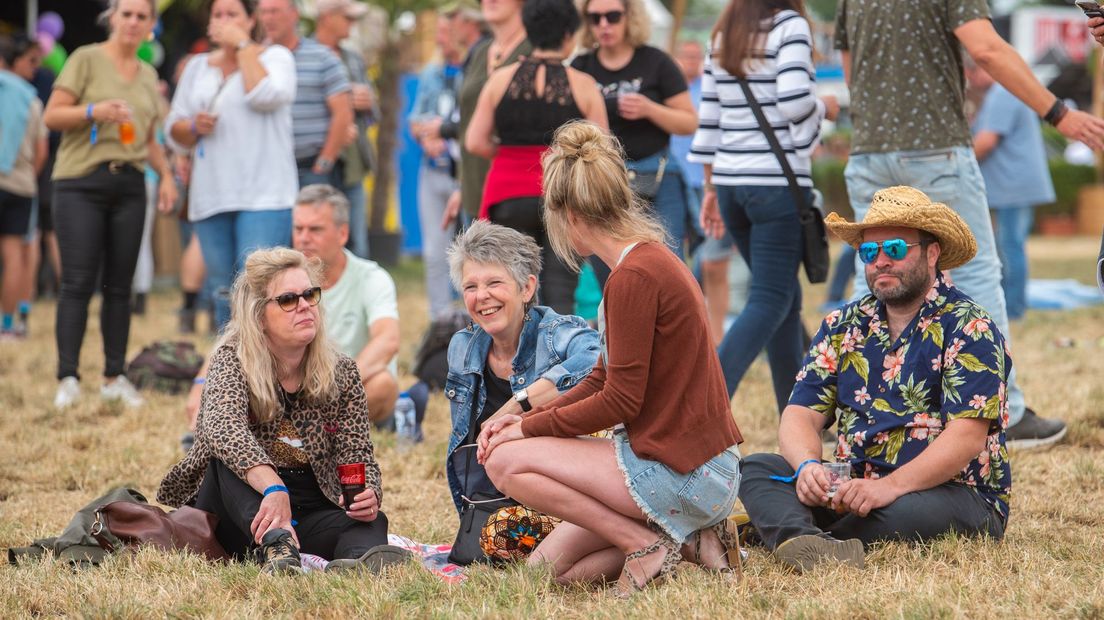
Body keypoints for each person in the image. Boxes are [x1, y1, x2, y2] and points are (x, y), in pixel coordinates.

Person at [477, 122, 743, 595]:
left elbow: (618, 400)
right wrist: (529, 412)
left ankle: (645, 545)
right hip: (684, 465)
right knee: (548, 575)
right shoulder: (645, 261)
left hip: (683, 471)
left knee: (504, 460)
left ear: (570, 213)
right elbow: (602, 378)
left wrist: (526, 429)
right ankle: (687, 540)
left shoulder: (633, 277)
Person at [833, 0, 1104, 448]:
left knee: (877, 280)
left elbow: (848, 63)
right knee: (977, 273)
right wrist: (1059, 113)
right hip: (935, 147)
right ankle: (1005, 413)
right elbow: (987, 49)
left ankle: (869, 410)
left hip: (868, 150)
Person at [738, 186, 1011, 572]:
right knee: (757, 468)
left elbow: (966, 439)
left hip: (951, 493)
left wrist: (888, 487)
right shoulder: (842, 324)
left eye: (895, 249)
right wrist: (807, 469)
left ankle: (791, 530)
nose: (881, 261)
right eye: (869, 252)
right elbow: (799, 414)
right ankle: (809, 539)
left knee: (900, 512)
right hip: (856, 488)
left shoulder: (970, 326)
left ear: (932, 253)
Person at [158, 247, 409, 574]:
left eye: (310, 294)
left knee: (371, 522)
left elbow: (356, 449)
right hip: (238, 511)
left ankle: (356, 564)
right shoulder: (231, 360)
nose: (305, 306)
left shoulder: (342, 370)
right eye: (289, 300)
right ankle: (276, 544)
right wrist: (273, 487)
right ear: (259, 315)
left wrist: (369, 494)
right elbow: (223, 429)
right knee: (222, 460)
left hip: (308, 507)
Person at [692, 0, 836, 412]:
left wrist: (710, 190)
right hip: (775, 184)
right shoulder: (790, 26)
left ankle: (798, 415)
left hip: (731, 185)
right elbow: (794, 101)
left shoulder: (722, 33)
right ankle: (702, 405)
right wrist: (826, 106)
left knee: (785, 302)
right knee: (771, 298)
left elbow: (709, 119)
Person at [43, 0, 177, 409]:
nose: (134, 22)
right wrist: (92, 111)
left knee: (120, 287)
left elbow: (150, 140)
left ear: (151, 24)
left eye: (142, 16)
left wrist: (168, 176)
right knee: (78, 282)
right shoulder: (85, 59)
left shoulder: (149, 74)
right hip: (80, 182)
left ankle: (114, 376)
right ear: (112, 18)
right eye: (127, 14)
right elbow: (52, 116)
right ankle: (68, 377)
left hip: (131, 183)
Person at [444, 220, 601, 514]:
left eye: (494, 283)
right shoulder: (462, 347)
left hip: (565, 498)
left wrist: (519, 403)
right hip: (495, 504)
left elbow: (598, 357)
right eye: (470, 287)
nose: (481, 297)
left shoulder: (555, 333)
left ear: (527, 288)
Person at [465, 0, 607, 313]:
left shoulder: (500, 79)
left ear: (528, 30)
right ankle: (560, 359)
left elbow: (474, 141)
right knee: (560, 291)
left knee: (512, 290)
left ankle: (516, 360)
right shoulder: (583, 85)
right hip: (562, 195)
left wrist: (508, 155)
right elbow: (602, 151)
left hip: (507, 191)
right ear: (569, 36)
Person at [166, 0, 297, 332]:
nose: (224, 21)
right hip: (212, 194)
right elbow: (173, 131)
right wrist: (193, 127)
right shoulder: (197, 67)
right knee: (223, 292)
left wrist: (242, 46)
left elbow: (263, 94)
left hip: (265, 196)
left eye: (233, 15)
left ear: (251, 21)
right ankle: (232, 372)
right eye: (218, 15)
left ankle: (268, 371)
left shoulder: (276, 58)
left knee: (257, 289)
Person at [572, 0, 697, 280]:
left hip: (658, 176)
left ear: (631, 17)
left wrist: (650, 109)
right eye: (595, 18)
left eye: (613, 16)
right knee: (611, 271)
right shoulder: (581, 66)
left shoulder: (655, 61)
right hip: (605, 182)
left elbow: (689, 121)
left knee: (669, 265)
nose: (604, 25)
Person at [291, 184, 400, 425]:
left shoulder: (372, 277)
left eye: (315, 229)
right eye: (298, 228)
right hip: (298, 391)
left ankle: (315, 428)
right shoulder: (281, 282)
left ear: (343, 234)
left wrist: (332, 391)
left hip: (351, 388)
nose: (303, 238)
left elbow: (388, 340)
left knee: (382, 384)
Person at [966, 61, 1055, 322]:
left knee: (1009, 247)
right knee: (1007, 247)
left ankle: (1013, 309)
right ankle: (1010, 304)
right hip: (1010, 185)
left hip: (1013, 186)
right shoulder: (1003, 93)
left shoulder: (1002, 94)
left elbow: (985, 143)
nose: (970, 79)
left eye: (972, 72)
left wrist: (953, 163)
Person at [669, 38, 740, 346]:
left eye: (696, 56)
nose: (691, 61)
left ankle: (712, 332)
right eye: (686, 55)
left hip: (705, 182)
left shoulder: (709, 90)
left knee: (710, 256)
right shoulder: (672, 92)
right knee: (681, 255)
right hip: (674, 180)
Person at [439, 0, 532, 227]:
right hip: (473, 190)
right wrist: (462, 186)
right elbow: (468, 122)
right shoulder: (481, 52)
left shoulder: (534, 49)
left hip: (519, 192)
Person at [258, 0, 354, 196]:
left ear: (294, 14)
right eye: (264, 12)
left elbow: (343, 114)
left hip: (311, 170)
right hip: (266, 172)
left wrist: (323, 164)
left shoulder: (322, 57)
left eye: (275, 11)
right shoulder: (254, 59)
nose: (268, 18)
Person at [410, 12, 466, 320]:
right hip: (433, 171)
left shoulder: (475, 68)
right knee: (434, 252)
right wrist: (425, 137)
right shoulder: (431, 73)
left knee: (474, 249)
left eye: (446, 32)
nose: (440, 39)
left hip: (465, 175)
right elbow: (415, 120)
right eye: (439, 33)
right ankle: (440, 321)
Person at [314, 0, 375, 259]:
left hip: (351, 166)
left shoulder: (353, 58)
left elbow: (373, 114)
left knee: (355, 243)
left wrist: (368, 103)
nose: (352, 23)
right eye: (346, 17)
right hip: (315, 165)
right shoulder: (303, 54)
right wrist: (336, 128)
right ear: (327, 17)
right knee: (314, 242)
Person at [0, 34, 47, 341]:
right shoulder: (31, 98)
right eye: (30, 61)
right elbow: (41, 151)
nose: (35, 68)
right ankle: (7, 325)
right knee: (16, 254)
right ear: (13, 60)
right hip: (19, 184)